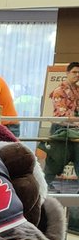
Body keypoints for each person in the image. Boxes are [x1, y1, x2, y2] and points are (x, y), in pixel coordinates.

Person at [45, 61, 79, 189]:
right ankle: (45, 186)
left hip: (75, 129)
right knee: (55, 160)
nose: (77, 75)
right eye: (74, 72)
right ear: (67, 73)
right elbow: (62, 114)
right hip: (61, 129)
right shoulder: (59, 91)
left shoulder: (77, 90)